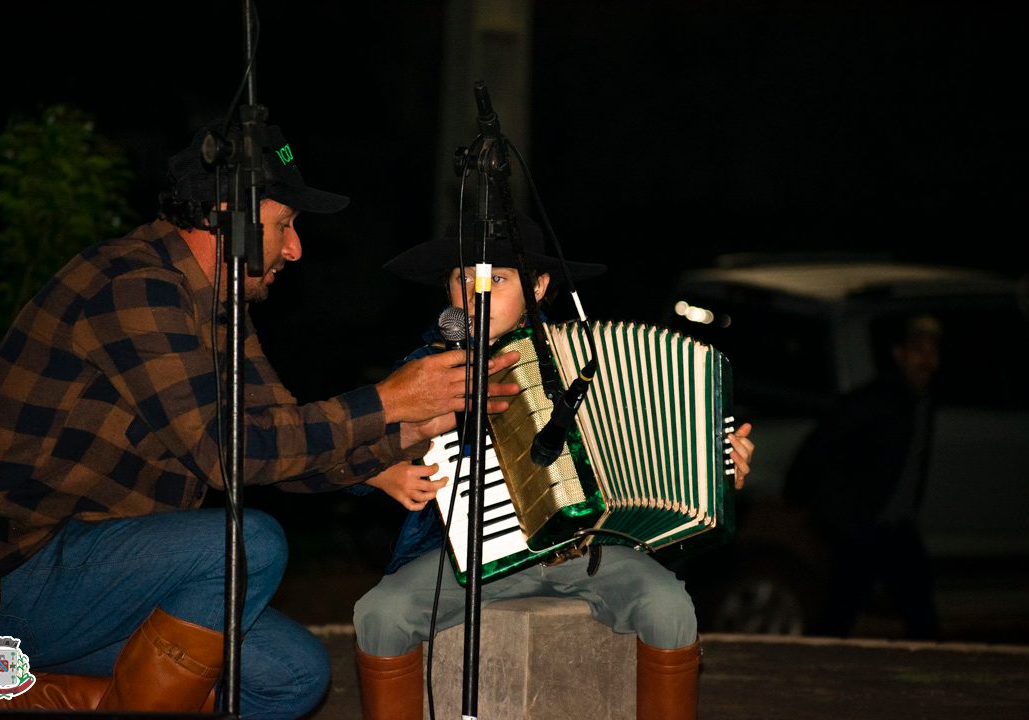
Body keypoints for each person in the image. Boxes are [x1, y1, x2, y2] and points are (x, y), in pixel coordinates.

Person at [0, 119, 520, 717]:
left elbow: (278, 444)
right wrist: (386, 401)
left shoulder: (217, 306)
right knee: (247, 541)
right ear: (230, 218)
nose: (296, 248)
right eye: (285, 225)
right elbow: (233, 454)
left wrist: (406, 432)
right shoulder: (135, 286)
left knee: (292, 676)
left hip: (102, 579)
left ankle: (47, 698)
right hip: (8, 581)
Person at [350, 208, 755, 720]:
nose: (475, 293)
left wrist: (718, 468)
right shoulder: (425, 368)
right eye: (462, 278)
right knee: (380, 614)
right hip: (469, 558)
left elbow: (656, 442)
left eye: (496, 278)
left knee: (669, 607)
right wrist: (382, 472)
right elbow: (348, 452)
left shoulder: (587, 356)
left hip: (590, 551)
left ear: (539, 287)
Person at [784, 311, 944, 641]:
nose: (925, 360)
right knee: (841, 608)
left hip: (895, 525)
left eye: (932, 352)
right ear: (899, 354)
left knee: (918, 609)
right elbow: (822, 441)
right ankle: (811, 668)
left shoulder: (923, 402)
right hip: (861, 524)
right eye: (917, 351)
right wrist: (805, 496)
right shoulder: (877, 398)